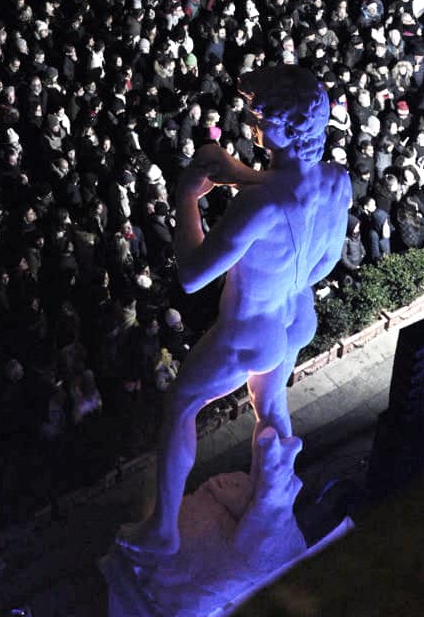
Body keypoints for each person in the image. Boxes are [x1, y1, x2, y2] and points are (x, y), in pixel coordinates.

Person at [117, 66, 349, 558]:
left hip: (250, 328)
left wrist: (186, 197)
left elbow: (193, 273)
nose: (253, 125)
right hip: (295, 317)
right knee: (272, 406)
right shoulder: (336, 182)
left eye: (260, 117)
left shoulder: (257, 206)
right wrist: (239, 175)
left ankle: (163, 529)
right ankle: (275, 501)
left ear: (283, 127)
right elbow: (322, 258)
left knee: (180, 404)